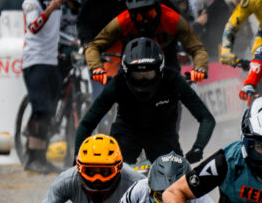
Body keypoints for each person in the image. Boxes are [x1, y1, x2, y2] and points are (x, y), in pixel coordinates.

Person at [76, 37, 215, 164]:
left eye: (148, 74)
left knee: (174, 175)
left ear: (159, 69)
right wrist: (77, 160)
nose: (143, 79)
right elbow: (87, 123)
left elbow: (207, 118)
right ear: (127, 72)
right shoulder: (118, 82)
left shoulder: (173, 80)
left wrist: (198, 148)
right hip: (127, 132)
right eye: (138, 74)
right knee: (114, 167)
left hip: (162, 134)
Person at [84, 0, 209, 81]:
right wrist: (97, 69)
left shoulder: (171, 18)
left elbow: (197, 48)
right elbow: (93, 47)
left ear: (157, 6)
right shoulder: (123, 21)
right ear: (130, 13)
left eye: (149, 13)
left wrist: (199, 68)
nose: (144, 20)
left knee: (180, 90)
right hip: (131, 67)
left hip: (167, 65)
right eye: (138, 15)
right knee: (114, 94)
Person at [22, 0, 66, 174]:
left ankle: (42, 155)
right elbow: (34, 27)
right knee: (40, 109)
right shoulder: (32, 2)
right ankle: (32, 157)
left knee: (50, 110)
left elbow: (55, 32)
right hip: (35, 60)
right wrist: (51, 8)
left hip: (51, 61)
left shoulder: (57, 0)